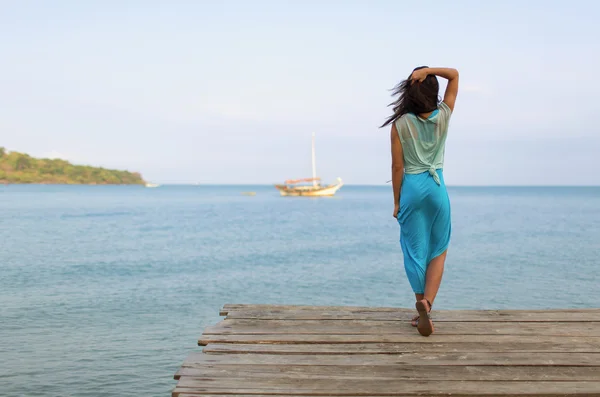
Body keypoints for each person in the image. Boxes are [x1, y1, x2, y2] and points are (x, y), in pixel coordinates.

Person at [382, 66, 459, 336]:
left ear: (410, 91)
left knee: (414, 251)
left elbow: (396, 168)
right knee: (438, 250)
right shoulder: (443, 117)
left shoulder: (400, 124)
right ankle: (427, 304)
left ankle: (419, 305)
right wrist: (429, 70)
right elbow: (455, 74)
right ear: (433, 90)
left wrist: (396, 203)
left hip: (412, 187)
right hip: (436, 186)